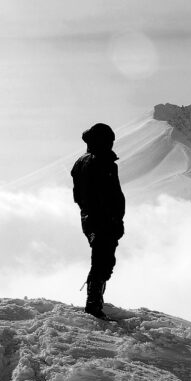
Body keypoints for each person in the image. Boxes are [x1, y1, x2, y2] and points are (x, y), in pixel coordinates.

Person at [71, 123, 125, 320]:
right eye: (109, 140)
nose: (111, 144)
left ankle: (95, 302)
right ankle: (93, 304)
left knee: (102, 259)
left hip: (92, 218)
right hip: (102, 220)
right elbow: (108, 195)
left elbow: (79, 196)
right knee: (103, 260)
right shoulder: (100, 162)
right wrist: (113, 219)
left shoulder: (82, 162)